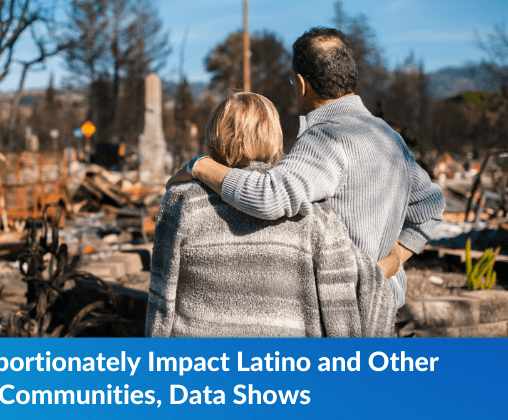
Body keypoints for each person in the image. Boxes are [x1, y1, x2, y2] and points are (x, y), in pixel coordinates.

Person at [167, 27, 446, 309]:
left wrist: (199, 165)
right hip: (384, 309)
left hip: (343, 314)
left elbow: (268, 196)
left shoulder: (327, 135)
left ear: (301, 83)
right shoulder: (388, 136)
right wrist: (394, 259)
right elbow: (430, 207)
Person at [145, 92, 395, 338]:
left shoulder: (182, 201)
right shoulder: (312, 211)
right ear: (274, 136)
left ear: (215, 135)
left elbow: (161, 294)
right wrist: (394, 258)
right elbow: (340, 297)